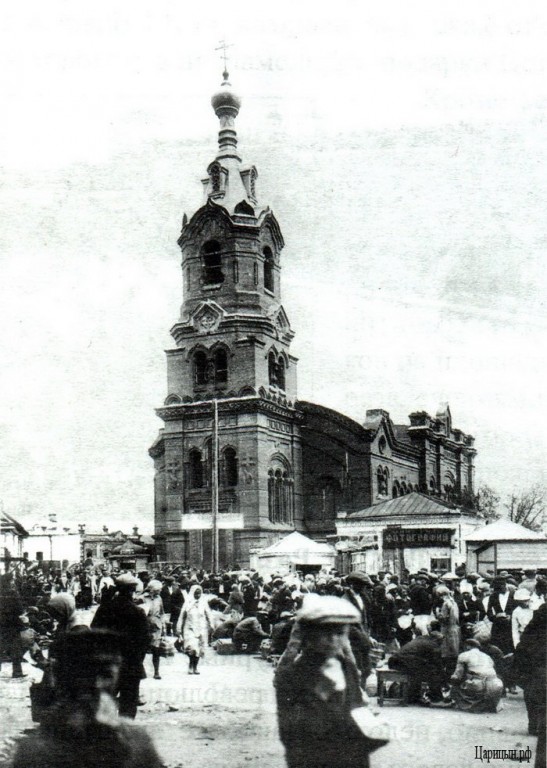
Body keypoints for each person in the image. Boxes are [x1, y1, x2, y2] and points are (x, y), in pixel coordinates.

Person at [12, 629, 162, 768]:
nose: (96, 684)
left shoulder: (138, 741)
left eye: (106, 675)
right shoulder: (35, 749)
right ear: (63, 678)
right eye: (85, 675)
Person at [275, 595, 382, 768]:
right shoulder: (293, 676)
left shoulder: (346, 667)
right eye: (325, 634)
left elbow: (355, 709)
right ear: (309, 636)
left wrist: (373, 730)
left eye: (340, 634)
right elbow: (293, 735)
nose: (333, 640)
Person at [91, 573, 150, 719]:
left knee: (106, 702)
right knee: (128, 704)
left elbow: (94, 633)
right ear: (132, 590)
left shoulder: (104, 609)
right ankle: (125, 735)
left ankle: (105, 736)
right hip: (130, 665)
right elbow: (144, 641)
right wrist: (137, 660)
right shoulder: (137, 612)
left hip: (107, 664)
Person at [388, 631, 447, 705]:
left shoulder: (420, 638)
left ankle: (415, 697)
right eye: (441, 641)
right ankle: (436, 698)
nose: (441, 644)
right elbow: (437, 664)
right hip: (403, 662)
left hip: (394, 661)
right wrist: (444, 679)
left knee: (421, 670)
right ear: (436, 639)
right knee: (433, 672)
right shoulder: (433, 644)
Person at [450, 638, 503, 713]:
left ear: (468, 646)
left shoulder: (463, 655)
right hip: (496, 684)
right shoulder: (487, 656)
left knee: (455, 687)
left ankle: (470, 705)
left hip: (479, 685)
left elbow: (458, 674)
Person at [176, 584, 212, 674]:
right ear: (192, 593)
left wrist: (212, 625)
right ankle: (190, 665)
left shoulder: (203, 603)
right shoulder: (187, 603)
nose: (197, 596)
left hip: (201, 628)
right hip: (189, 628)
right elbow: (181, 616)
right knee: (192, 647)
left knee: (199, 649)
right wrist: (179, 628)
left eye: (199, 594)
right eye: (196, 594)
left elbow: (209, 615)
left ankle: (195, 667)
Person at [0, 572, 26, 678]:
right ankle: (17, 672)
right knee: (15, 647)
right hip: (12, 624)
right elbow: (20, 610)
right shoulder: (13, 593)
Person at [436, 585, 461, 678]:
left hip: (447, 630)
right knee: (454, 652)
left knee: (447, 653)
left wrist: (438, 613)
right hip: (455, 629)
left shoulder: (445, 604)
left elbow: (444, 618)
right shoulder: (453, 602)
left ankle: (448, 675)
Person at [486, 577, 515, 655]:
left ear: (505, 585)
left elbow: (517, 610)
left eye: (501, 587)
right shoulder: (493, 596)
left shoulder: (514, 595)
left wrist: (511, 616)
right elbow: (489, 612)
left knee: (510, 648)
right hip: (497, 627)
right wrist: (495, 617)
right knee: (497, 649)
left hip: (511, 627)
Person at [144, 580, 165, 680]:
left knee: (156, 650)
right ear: (152, 590)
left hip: (156, 626)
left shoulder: (159, 598)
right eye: (158, 590)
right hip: (144, 626)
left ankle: (156, 671)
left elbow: (162, 612)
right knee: (142, 649)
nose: (160, 591)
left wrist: (163, 625)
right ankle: (140, 670)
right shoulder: (142, 598)